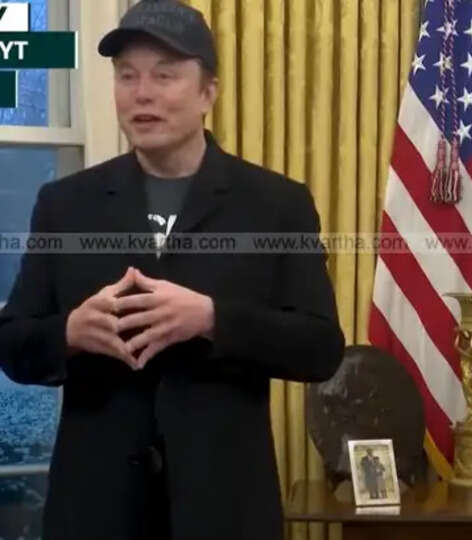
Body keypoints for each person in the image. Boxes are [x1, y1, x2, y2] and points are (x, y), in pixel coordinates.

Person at [0, 1, 345, 539]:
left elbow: (321, 348)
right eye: (127, 76)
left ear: (208, 92)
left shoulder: (276, 205)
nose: (142, 93)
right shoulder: (65, 204)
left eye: (164, 75)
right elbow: (12, 342)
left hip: (225, 512)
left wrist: (212, 319)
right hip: (96, 511)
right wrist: (69, 332)